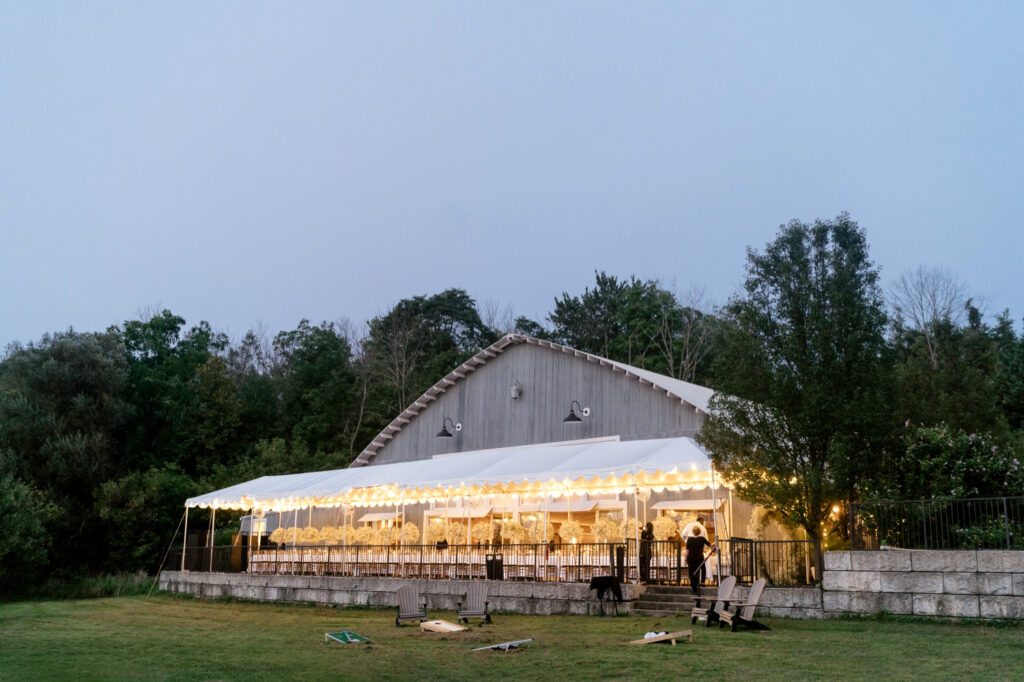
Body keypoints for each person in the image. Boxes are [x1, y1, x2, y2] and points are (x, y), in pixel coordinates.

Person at [685, 526, 714, 595]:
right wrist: (715, 542)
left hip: (691, 557)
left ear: (692, 532)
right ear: (699, 532)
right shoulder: (702, 539)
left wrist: (685, 559)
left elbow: (687, 550)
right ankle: (703, 582)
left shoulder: (689, 539)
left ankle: (693, 585)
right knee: (703, 569)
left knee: (691, 571)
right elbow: (710, 545)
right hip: (699, 557)